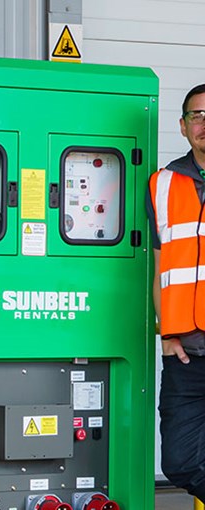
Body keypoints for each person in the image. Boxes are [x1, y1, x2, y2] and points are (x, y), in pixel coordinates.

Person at [153, 83, 205, 500]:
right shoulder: (163, 185)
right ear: (183, 126)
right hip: (186, 353)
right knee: (180, 462)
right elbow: (160, 269)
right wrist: (166, 334)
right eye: (197, 116)